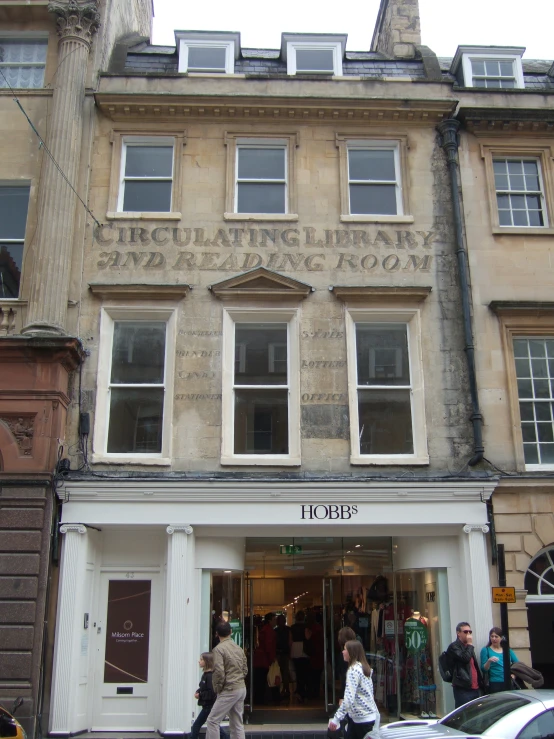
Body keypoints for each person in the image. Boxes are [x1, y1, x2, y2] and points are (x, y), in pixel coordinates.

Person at [328, 640, 378, 739]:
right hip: (365, 717)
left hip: (360, 719)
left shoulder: (353, 670)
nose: (342, 651)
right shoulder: (364, 668)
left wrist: (336, 718)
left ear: (351, 652)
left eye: (345, 649)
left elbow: (348, 699)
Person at [207, 621, 248, 739]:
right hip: (241, 687)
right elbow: (245, 669)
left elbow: (219, 672)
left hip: (229, 689)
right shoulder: (238, 648)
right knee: (237, 723)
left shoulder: (218, 649)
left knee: (212, 720)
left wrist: (218, 689)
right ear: (231, 632)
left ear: (216, 634)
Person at [446, 622, 484, 708]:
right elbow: (465, 659)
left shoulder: (468, 647)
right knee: (464, 715)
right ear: (458, 633)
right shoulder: (454, 646)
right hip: (462, 687)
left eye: (470, 632)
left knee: (475, 714)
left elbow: (474, 665)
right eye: (465, 632)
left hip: (475, 687)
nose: (468, 634)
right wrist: (470, 645)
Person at [191, 652, 228, 739]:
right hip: (207, 705)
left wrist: (200, 695)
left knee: (196, 725)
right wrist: (198, 691)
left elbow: (211, 692)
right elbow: (203, 687)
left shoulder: (210, 676)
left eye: (201, 659)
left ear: (207, 662)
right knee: (214, 725)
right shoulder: (206, 675)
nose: (199, 661)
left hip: (209, 706)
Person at [480, 626, 518, 693]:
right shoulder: (486, 650)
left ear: (501, 638)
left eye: (496, 636)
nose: (494, 639)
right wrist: (489, 661)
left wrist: (514, 675)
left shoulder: (508, 650)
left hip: (508, 682)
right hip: (494, 683)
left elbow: (517, 664)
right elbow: (484, 669)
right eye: (492, 636)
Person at [253, 612, 277, 704]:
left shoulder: (264, 629)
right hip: (264, 660)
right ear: (270, 620)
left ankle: (259, 699)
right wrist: (272, 658)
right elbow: (269, 646)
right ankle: (260, 700)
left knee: (260, 680)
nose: (276, 621)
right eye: (274, 619)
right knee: (262, 680)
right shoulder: (269, 631)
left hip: (261, 659)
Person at [290, 610, 310, 702]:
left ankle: (298, 691)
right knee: (304, 672)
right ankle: (303, 692)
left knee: (298, 672)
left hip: (295, 649)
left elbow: (290, 640)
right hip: (303, 649)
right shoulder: (306, 627)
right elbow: (307, 637)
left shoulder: (292, 627)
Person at [275, 614, 292, 700]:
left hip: (278, 652)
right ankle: (286, 689)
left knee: (279, 672)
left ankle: (281, 689)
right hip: (285, 652)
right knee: (285, 671)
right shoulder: (288, 630)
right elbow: (290, 642)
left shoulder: (276, 631)